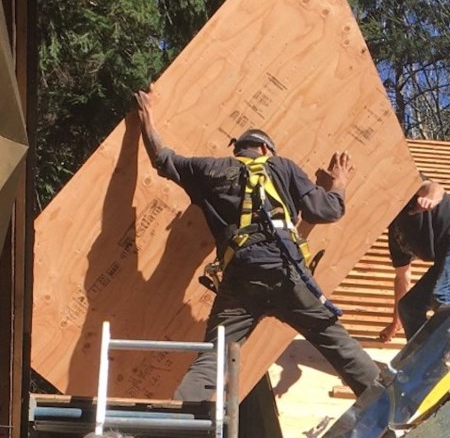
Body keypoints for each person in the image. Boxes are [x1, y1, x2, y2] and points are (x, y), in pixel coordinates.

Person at [133, 89, 380, 401]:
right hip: (287, 275)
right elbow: (325, 211)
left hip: (241, 279)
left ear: (239, 150)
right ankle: (385, 404)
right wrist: (339, 183)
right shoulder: (282, 167)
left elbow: (161, 158)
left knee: (213, 356)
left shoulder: (211, 169)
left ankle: (178, 427)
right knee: (334, 340)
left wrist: (147, 115)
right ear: (266, 148)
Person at [378, 177, 450, 343]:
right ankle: (423, 357)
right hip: (447, 254)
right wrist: (396, 322)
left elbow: (433, 187)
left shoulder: (406, 191)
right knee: (410, 306)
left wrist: (430, 199)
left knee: (444, 295)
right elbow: (403, 278)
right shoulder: (396, 237)